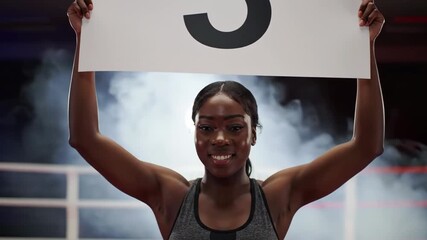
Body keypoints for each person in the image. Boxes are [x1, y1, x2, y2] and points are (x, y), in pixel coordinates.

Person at [67, 0, 385, 239]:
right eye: (207, 127)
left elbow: (366, 146)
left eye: (234, 127)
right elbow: (86, 139)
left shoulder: (280, 194)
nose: (220, 139)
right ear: (194, 133)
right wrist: (86, 42)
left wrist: (365, 48)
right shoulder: (169, 193)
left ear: (254, 134)